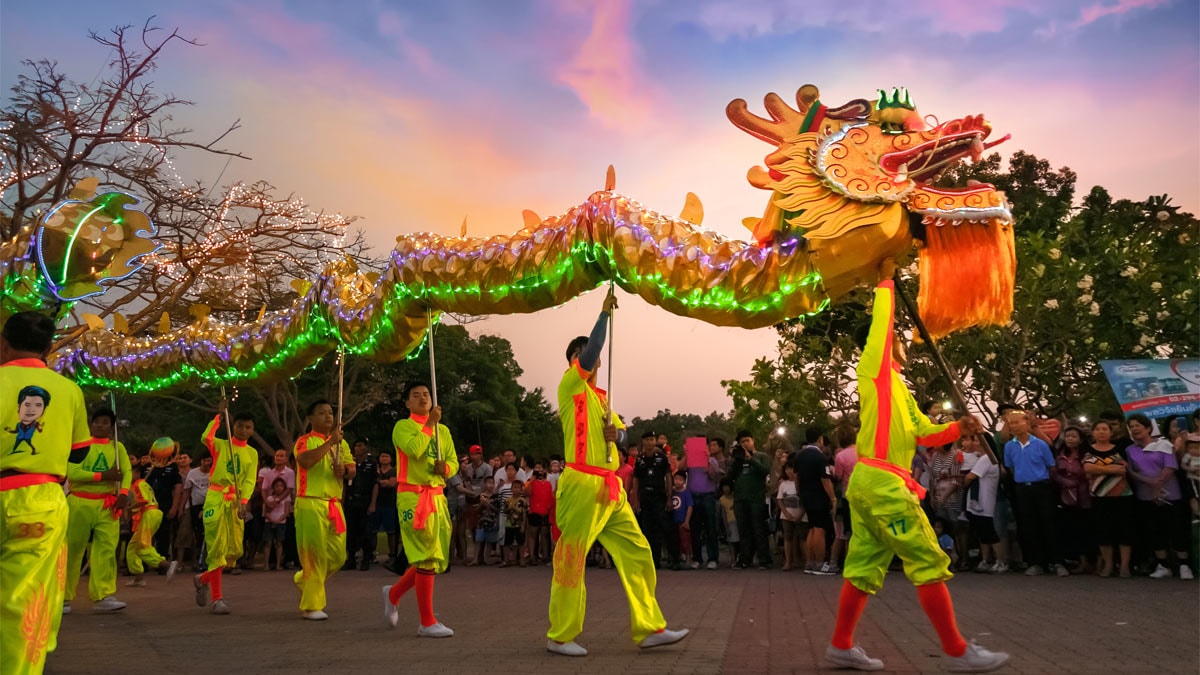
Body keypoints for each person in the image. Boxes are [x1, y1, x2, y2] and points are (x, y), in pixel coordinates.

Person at [825, 260, 1008, 673]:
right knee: (928, 560)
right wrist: (887, 279)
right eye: (896, 337)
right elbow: (881, 324)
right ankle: (958, 651)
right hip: (885, 485)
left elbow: (924, 433)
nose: (905, 341)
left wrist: (957, 427)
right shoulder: (873, 370)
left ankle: (840, 644)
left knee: (862, 569)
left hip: (873, 484)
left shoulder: (899, 389)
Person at [547, 291, 687, 657]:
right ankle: (560, 635)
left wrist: (617, 434)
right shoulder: (570, 387)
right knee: (573, 558)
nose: (590, 360)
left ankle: (649, 627)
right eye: (583, 355)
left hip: (610, 489)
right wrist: (603, 317)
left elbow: (624, 434)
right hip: (580, 484)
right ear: (574, 361)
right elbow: (593, 350)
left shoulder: (602, 399)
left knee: (638, 552)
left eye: (589, 356)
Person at [1, 312, 93, 675]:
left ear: (4, 342)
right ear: (49, 347)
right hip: (38, 499)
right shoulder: (69, 390)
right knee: (24, 598)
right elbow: (79, 451)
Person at [382, 382, 457, 637]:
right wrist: (429, 424)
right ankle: (427, 621)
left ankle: (393, 593)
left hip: (436, 497)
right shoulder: (403, 427)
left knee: (432, 557)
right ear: (407, 403)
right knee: (425, 555)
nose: (423, 398)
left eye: (426, 394)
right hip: (413, 497)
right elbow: (414, 451)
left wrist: (444, 469)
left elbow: (454, 462)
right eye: (416, 395)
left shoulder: (443, 431)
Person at [64, 407, 132, 613]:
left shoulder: (117, 447)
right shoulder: (80, 446)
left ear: (111, 427)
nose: (101, 425)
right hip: (80, 502)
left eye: (106, 422)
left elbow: (126, 472)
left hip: (107, 504)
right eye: (98, 421)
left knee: (106, 550)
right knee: (72, 550)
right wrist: (102, 476)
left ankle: (103, 595)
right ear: (91, 424)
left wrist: (123, 494)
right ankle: (63, 598)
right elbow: (72, 472)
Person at [193, 402, 258, 615]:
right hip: (216, 497)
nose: (244, 430)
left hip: (235, 501)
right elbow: (206, 437)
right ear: (234, 426)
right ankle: (217, 598)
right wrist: (218, 418)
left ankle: (202, 579)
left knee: (234, 550)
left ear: (252, 429)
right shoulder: (221, 445)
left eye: (248, 427)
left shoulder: (252, 453)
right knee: (217, 547)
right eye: (240, 426)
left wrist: (244, 502)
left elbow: (249, 480)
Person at [293, 400, 355, 620]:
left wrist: (344, 470)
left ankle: (304, 579)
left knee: (338, 556)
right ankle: (311, 606)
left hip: (334, 504)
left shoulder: (342, 444)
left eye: (330, 412)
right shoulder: (305, 441)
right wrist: (330, 443)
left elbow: (351, 470)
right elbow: (305, 461)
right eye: (322, 413)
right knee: (314, 555)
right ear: (310, 418)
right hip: (310, 502)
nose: (328, 416)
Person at [1126, 414, 1193, 579]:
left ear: (1148, 428)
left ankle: (1184, 565)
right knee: (1155, 531)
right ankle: (1164, 565)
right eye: (1131, 426)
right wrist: (1150, 483)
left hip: (1170, 494)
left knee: (1176, 529)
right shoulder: (1130, 449)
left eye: (1138, 425)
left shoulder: (1164, 444)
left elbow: (1171, 466)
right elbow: (1132, 471)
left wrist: (1158, 483)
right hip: (1145, 495)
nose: (1135, 429)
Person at [1002, 410, 1064, 576]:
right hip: (1022, 489)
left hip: (1042, 487)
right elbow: (1010, 467)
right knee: (1028, 526)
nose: (1014, 425)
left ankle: (1056, 562)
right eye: (1011, 423)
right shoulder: (1009, 446)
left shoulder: (1040, 444)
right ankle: (1035, 562)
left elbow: (1051, 466)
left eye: (1017, 422)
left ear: (1027, 423)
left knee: (1049, 524)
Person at [1084, 420, 1135, 578]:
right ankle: (1108, 565)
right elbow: (1087, 468)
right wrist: (1110, 469)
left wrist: (1098, 469)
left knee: (1124, 530)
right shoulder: (1088, 449)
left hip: (1123, 496)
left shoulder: (1121, 448)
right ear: (1093, 433)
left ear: (1110, 432)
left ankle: (1124, 566)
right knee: (1103, 531)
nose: (1101, 432)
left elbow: (1123, 469)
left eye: (1105, 429)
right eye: (1098, 429)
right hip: (1099, 497)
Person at [125, 459, 179, 586]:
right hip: (152, 513)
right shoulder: (141, 484)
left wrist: (127, 508)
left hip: (149, 513)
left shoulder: (139, 484)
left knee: (142, 545)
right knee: (133, 546)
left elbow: (143, 501)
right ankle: (138, 577)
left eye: (130, 472)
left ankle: (166, 564)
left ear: (137, 473)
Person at [1051, 427, 1094, 574]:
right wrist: (1064, 481)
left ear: (1081, 439)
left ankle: (1091, 561)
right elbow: (1054, 472)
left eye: (1074, 436)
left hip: (1085, 496)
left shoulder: (1087, 454)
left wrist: (1077, 481)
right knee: (1072, 529)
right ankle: (1080, 561)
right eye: (1067, 436)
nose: (1069, 439)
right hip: (1066, 496)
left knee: (1086, 528)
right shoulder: (1060, 455)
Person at [632, 430, 677, 569]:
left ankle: (675, 560)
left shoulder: (661, 457)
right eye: (647, 440)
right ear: (643, 442)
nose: (650, 442)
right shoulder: (640, 459)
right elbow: (636, 479)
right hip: (645, 497)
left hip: (660, 497)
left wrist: (669, 497)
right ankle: (653, 561)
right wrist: (636, 500)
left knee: (667, 528)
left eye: (652, 439)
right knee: (648, 530)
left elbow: (668, 476)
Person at [729, 429, 772, 569]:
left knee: (758, 529)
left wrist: (750, 459)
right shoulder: (738, 459)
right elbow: (729, 477)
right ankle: (745, 559)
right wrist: (736, 459)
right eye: (742, 442)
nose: (745, 443)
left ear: (753, 441)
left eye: (747, 440)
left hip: (756, 499)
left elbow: (765, 471)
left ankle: (764, 560)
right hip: (740, 499)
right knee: (743, 530)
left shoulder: (761, 456)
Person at [795, 428, 836, 575]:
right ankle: (819, 564)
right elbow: (825, 480)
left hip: (806, 495)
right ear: (820, 439)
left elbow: (797, 478)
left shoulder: (800, 456)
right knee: (820, 529)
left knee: (812, 528)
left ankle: (810, 562)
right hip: (818, 496)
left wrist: (801, 494)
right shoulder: (820, 457)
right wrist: (833, 497)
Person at [960, 434, 1004, 573]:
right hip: (977, 501)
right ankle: (985, 560)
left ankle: (1000, 561)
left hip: (985, 501)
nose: (974, 443)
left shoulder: (986, 459)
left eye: (977, 440)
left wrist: (964, 481)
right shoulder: (982, 458)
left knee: (990, 532)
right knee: (982, 533)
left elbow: (970, 476)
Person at [685, 436, 722, 570]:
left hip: (708, 496)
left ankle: (713, 558)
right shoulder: (690, 460)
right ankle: (697, 558)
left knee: (710, 528)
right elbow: (681, 469)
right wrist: (687, 454)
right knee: (695, 529)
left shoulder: (712, 460)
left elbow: (714, 476)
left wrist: (706, 459)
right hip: (693, 496)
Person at [344, 439, 378, 571]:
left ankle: (366, 559)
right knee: (350, 531)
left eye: (360, 446)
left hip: (365, 500)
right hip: (352, 500)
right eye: (356, 445)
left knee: (366, 532)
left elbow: (375, 483)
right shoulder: (350, 463)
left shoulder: (371, 463)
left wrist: (373, 503)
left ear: (366, 448)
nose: (357, 448)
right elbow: (345, 484)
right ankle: (351, 558)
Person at [257, 449, 295, 570]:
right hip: (270, 507)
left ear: (286, 459)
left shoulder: (290, 473)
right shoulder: (268, 473)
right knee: (268, 539)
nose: (279, 458)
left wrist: (278, 500)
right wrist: (267, 501)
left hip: (284, 506)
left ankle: (285, 561)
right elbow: (264, 489)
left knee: (283, 537)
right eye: (277, 456)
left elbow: (289, 488)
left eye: (282, 456)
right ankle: (269, 562)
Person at [831, 424, 859, 571]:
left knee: (849, 532)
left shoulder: (840, 456)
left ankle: (850, 564)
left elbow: (838, 476)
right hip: (865, 495)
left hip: (848, 495)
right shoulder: (864, 452)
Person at [373, 450, 401, 569]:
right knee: (373, 530)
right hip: (377, 503)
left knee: (391, 531)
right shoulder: (376, 471)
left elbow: (391, 483)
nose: (384, 458)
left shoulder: (393, 470)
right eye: (382, 456)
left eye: (386, 456)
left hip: (390, 503)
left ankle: (393, 554)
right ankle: (372, 554)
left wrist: (379, 482)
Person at [184, 454, 213, 571]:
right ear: (201, 461)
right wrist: (182, 507)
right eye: (205, 460)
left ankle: (209, 561)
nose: (207, 463)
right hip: (196, 506)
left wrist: (205, 508)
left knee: (209, 534)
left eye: (209, 461)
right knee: (198, 534)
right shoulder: (193, 473)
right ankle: (197, 561)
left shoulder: (214, 472)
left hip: (210, 506)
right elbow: (187, 491)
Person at [776, 462, 804, 571]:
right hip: (786, 516)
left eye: (791, 469)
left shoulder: (801, 483)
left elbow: (804, 500)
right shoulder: (783, 484)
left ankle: (806, 559)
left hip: (801, 515)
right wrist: (786, 513)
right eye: (787, 469)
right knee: (787, 538)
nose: (789, 472)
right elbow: (780, 500)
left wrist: (801, 514)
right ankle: (788, 561)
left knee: (802, 537)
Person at [526, 462, 554, 565]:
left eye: (541, 468)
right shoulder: (531, 482)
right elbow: (526, 492)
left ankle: (545, 556)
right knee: (533, 534)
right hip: (534, 511)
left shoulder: (548, 483)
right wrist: (532, 480)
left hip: (545, 511)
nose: (539, 471)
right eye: (537, 468)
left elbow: (550, 497)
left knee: (545, 534)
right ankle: (532, 556)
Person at [503, 479, 529, 567]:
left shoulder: (523, 501)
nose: (516, 489)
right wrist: (509, 508)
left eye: (518, 488)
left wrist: (523, 525)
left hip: (519, 524)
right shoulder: (508, 500)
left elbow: (525, 513)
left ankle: (522, 560)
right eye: (514, 487)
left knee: (521, 543)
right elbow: (505, 511)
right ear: (511, 489)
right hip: (509, 524)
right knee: (507, 542)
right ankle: (506, 560)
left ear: (521, 489)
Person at [475, 476, 500, 565]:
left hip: (491, 521)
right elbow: (476, 510)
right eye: (489, 483)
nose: (491, 485)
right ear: (485, 484)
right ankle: (475, 559)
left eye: (492, 483)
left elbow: (498, 510)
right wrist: (481, 504)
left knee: (489, 541)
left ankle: (486, 558)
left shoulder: (496, 496)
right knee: (478, 540)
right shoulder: (480, 495)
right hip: (481, 522)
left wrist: (488, 504)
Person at [670, 473, 694, 566]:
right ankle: (678, 557)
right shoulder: (672, 492)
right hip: (673, 521)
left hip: (683, 521)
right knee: (676, 541)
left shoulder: (686, 493)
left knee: (685, 540)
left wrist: (687, 520)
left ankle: (689, 557)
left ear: (684, 481)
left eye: (680, 479)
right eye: (676, 479)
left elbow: (690, 506)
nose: (677, 482)